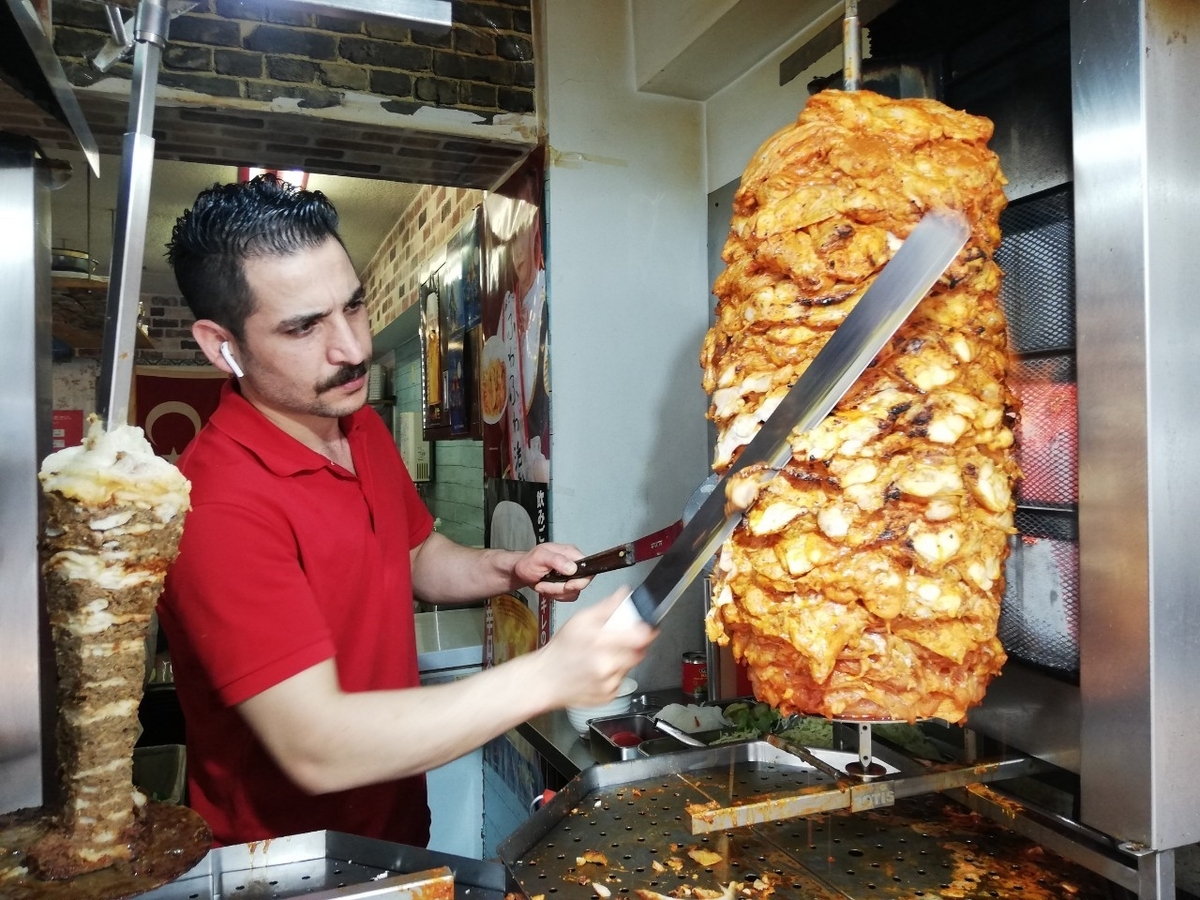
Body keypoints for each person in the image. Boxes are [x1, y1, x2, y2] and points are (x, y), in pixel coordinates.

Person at [158, 174, 656, 849]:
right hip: (287, 866)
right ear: (223, 346)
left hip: (391, 834)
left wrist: (506, 566)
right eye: (305, 327)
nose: (353, 349)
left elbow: (415, 554)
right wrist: (549, 675)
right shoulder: (216, 504)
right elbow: (316, 747)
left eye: (354, 307)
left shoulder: (353, 425)